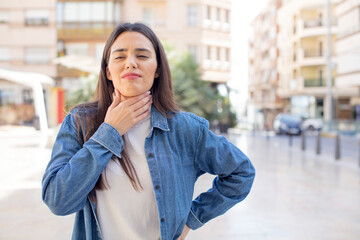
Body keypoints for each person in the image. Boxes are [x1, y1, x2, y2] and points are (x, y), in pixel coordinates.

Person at [42, 22, 255, 240]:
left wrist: (192, 218)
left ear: (157, 69)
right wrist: (109, 132)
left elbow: (241, 173)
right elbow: (57, 201)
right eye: (120, 57)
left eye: (142, 56)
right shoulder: (79, 123)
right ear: (108, 71)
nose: (130, 63)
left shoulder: (186, 129)